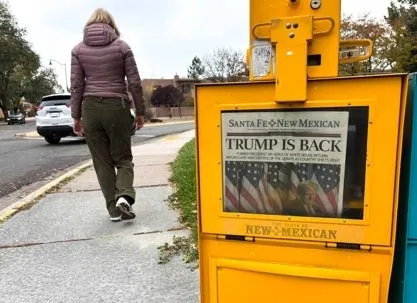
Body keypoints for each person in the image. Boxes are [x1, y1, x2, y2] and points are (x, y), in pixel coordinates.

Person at [70, 8, 145, 222]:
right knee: (123, 158)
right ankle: (124, 196)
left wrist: (76, 116)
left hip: (90, 109)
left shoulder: (78, 50)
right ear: (111, 25)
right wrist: (140, 112)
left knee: (102, 162)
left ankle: (113, 210)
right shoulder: (122, 47)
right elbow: (135, 83)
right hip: (117, 106)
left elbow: (76, 86)